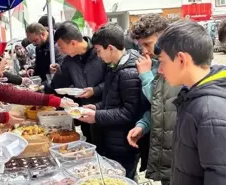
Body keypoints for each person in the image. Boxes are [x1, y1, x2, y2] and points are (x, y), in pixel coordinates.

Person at [157, 20, 226, 185]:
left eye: (162, 61)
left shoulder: (210, 112)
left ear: (181, 59)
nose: (160, 70)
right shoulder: (192, 94)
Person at [0, 37, 77, 130]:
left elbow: (15, 94)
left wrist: (53, 100)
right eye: (2, 58)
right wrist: (4, 117)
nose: (6, 64)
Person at [78, 23, 145, 180]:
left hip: (123, 144)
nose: (98, 55)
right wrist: (95, 107)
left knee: (122, 179)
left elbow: (129, 113)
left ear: (111, 48)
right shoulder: (113, 66)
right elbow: (111, 101)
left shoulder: (130, 73)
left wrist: (97, 116)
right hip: (111, 140)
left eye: (99, 51)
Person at [126, 14, 181, 185]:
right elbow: (161, 109)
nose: (144, 51)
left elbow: (166, 102)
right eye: (141, 45)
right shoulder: (157, 64)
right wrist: (143, 125)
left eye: (147, 44)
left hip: (180, 152)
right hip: (165, 152)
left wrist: (145, 76)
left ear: (163, 36)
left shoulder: (178, 64)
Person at [47, 22, 106, 143]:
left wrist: (95, 90)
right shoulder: (69, 60)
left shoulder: (100, 53)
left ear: (73, 43)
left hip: (103, 112)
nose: (61, 52)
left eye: (62, 47)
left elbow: (113, 82)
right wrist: (58, 72)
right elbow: (58, 87)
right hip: (83, 114)